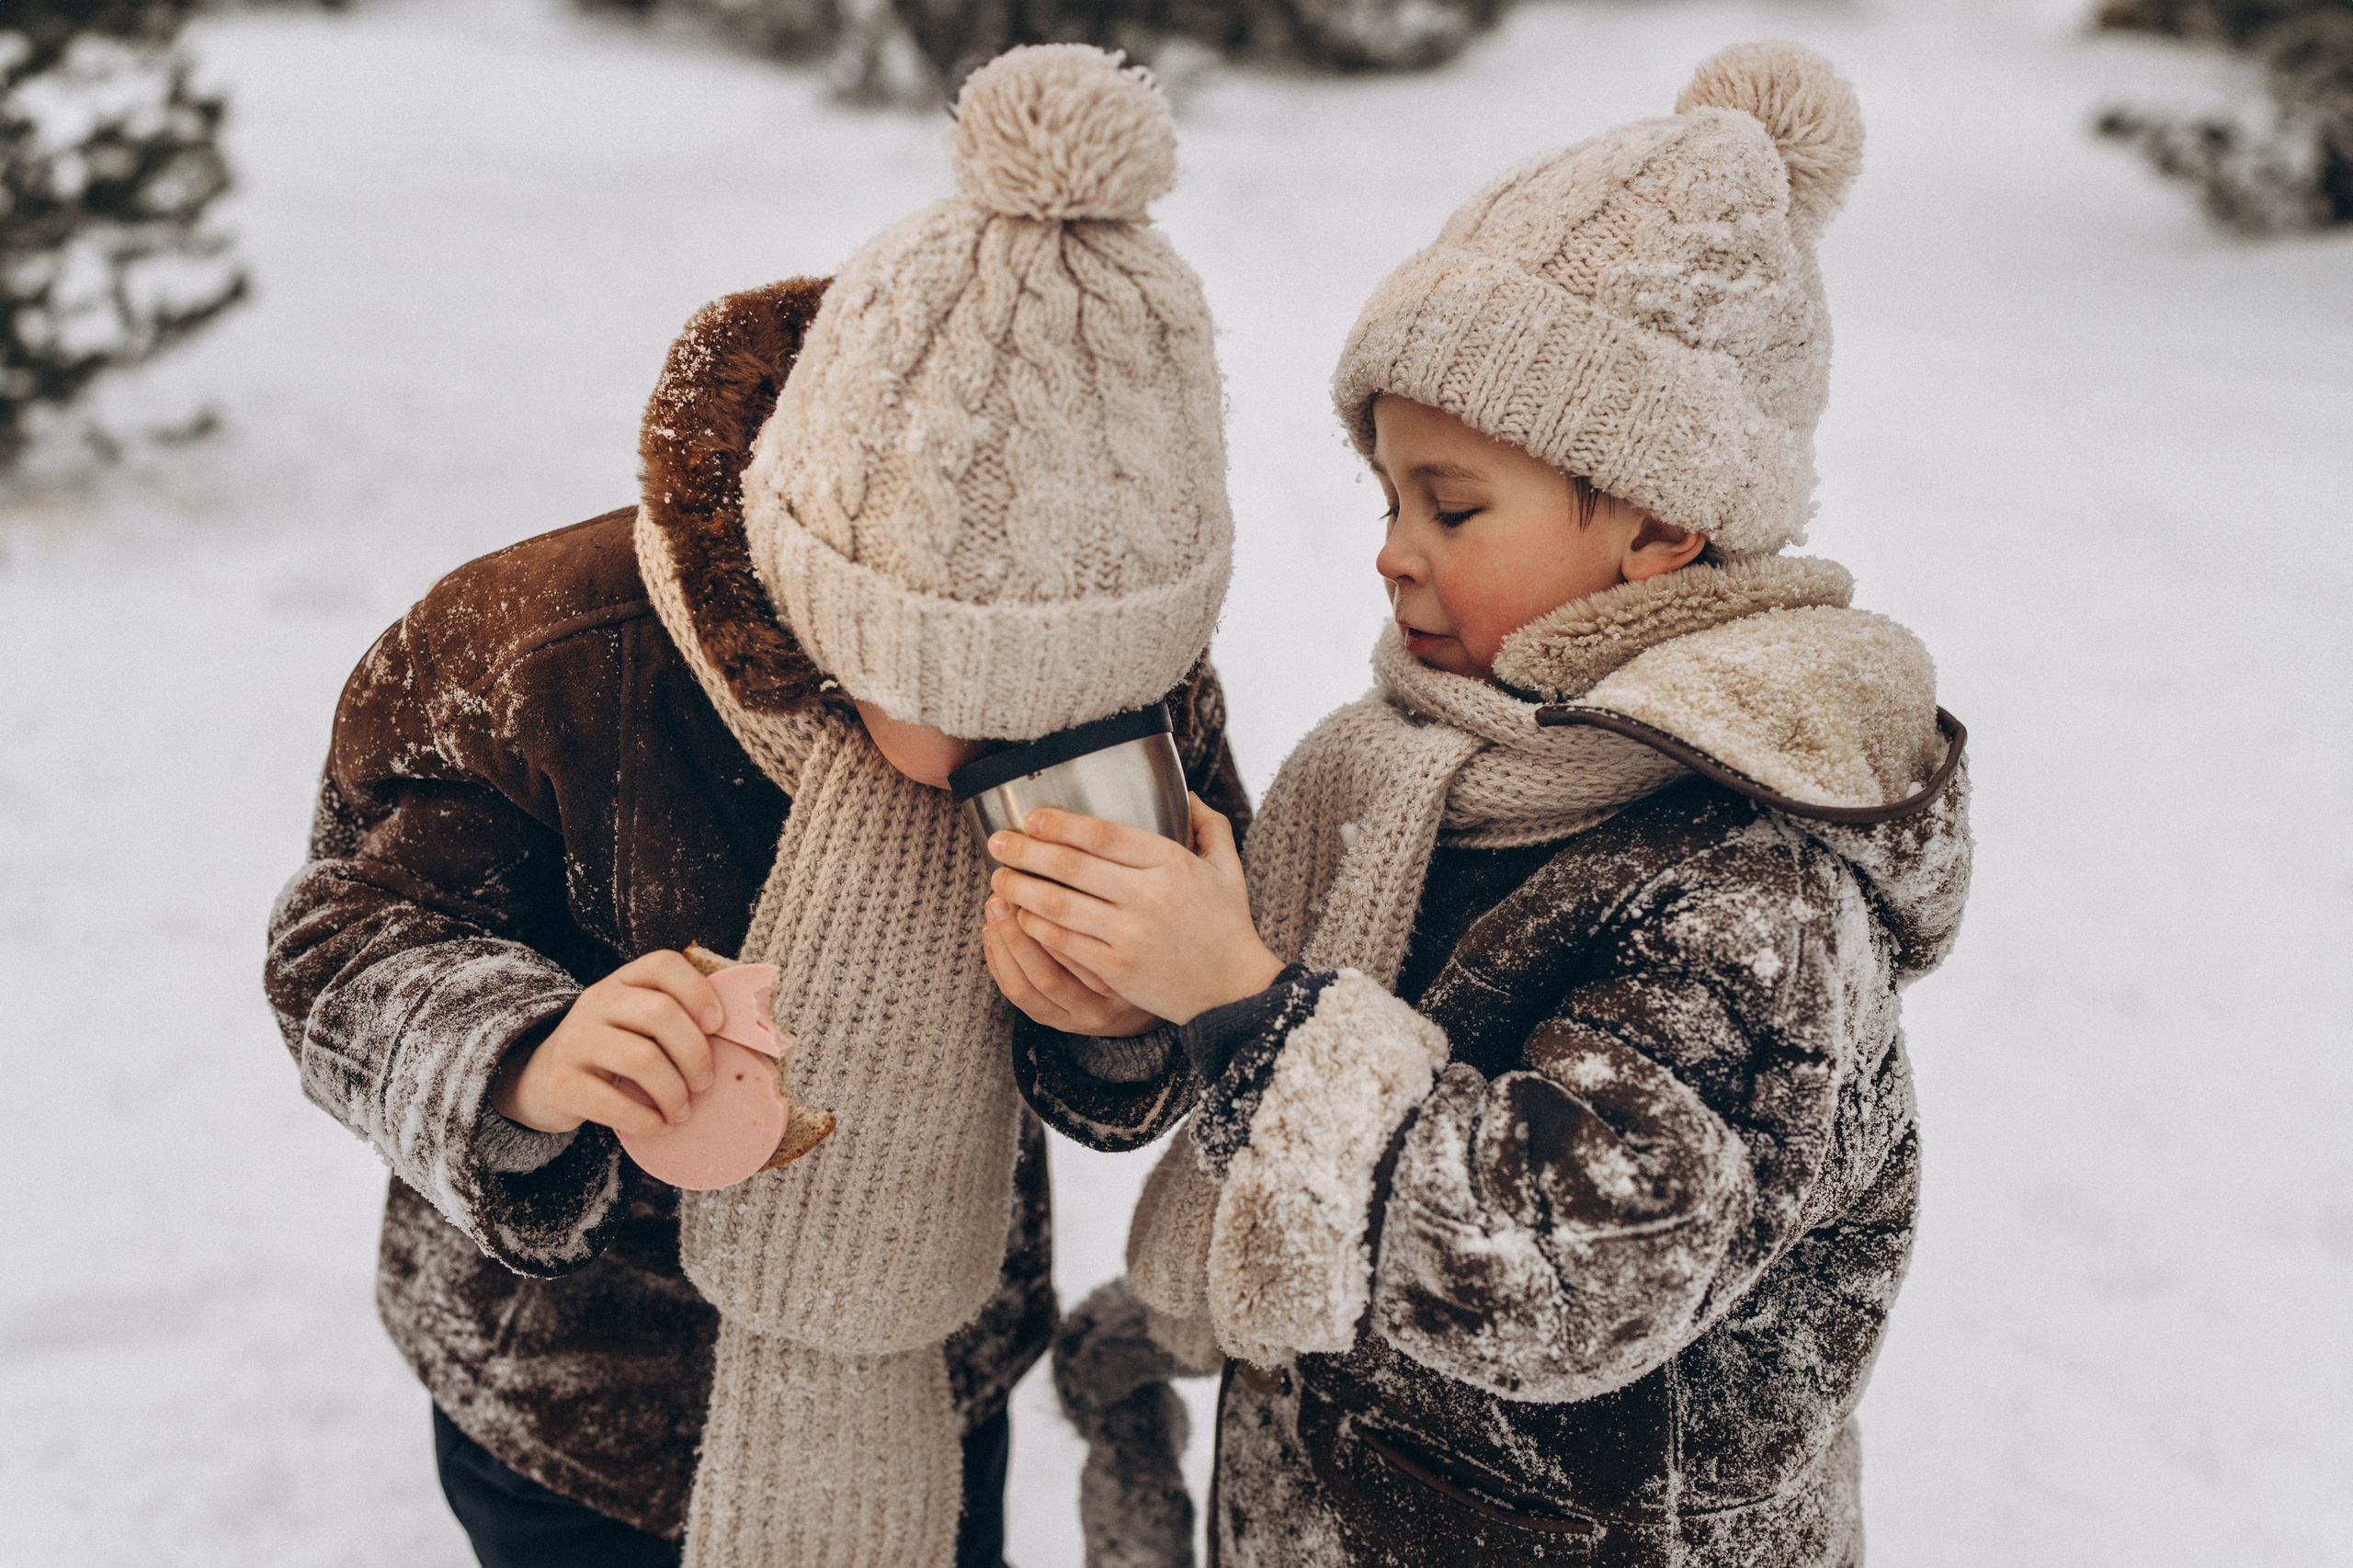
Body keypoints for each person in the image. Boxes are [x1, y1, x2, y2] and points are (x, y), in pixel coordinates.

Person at [986, 42, 1974, 1567]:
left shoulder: (1758, 887)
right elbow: (1256, 1100)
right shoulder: (1400, 769)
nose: (1392, 549)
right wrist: (1128, 999)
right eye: (1388, 496)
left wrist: (1250, 1011)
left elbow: (1568, 1270)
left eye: (1453, 505)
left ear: (1659, 523)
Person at [265, 45, 1249, 1568]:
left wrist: (1118, 1012)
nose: (1029, 755)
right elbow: (342, 945)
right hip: (582, 1401)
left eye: (1085, 712)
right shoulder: (549, 661)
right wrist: (526, 1056)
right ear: (838, 600)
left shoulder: (1124, 676)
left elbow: (1135, 1070)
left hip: (927, 1364)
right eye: (979, 706)